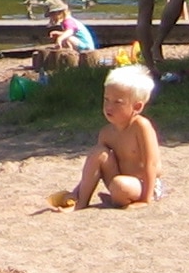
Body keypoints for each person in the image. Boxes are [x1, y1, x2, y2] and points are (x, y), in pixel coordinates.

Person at [51, 63, 162, 209]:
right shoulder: (106, 133)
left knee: (119, 186)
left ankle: (121, 198)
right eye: (106, 100)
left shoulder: (141, 127)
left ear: (137, 107)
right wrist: (76, 191)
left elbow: (151, 164)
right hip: (119, 181)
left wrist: (145, 199)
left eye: (118, 102)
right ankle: (80, 201)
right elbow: (93, 169)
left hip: (144, 184)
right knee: (98, 153)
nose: (109, 107)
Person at [34, 0, 97, 70]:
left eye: (52, 15)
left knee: (66, 38)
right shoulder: (66, 21)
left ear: (59, 12)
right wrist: (59, 33)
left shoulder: (68, 21)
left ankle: (71, 53)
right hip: (80, 44)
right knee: (64, 37)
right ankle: (69, 53)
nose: (51, 17)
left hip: (86, 47)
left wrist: (60, 38)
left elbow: (70, 32)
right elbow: (71, 32)